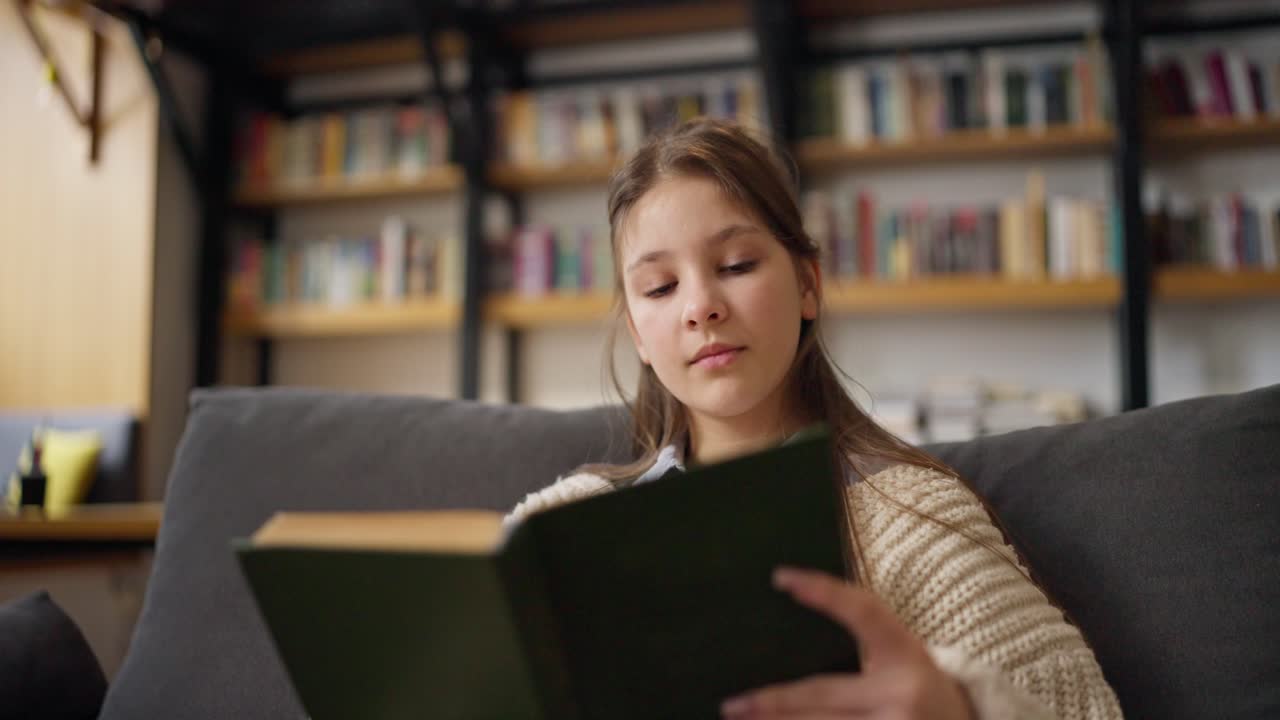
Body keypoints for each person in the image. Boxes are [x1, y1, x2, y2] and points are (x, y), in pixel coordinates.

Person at [503, 118, 1123, 720]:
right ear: (637, 330)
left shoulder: (910, 520)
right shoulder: (551, 527)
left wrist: (960, 709)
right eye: (661, 287)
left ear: (807, 284)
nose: (700, 307)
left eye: (737, 265)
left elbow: (1081, 710)